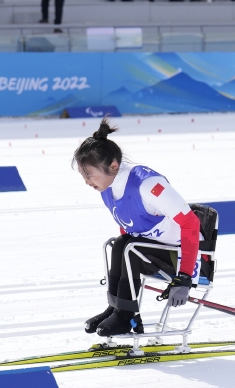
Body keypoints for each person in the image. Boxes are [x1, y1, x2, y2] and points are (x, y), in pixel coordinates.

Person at [77, 119, 204, 337]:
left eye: (90, 175)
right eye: (83, 176)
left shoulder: (148, 185)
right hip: (153, 251)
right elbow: (128, 229)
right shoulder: (107, 188)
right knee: (120, 244)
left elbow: (191, 223)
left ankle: (125, 316)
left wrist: (184, 277)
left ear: (113, 166)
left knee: (128, 247)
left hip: (182, 258)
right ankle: (118, 308)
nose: (87, 181)